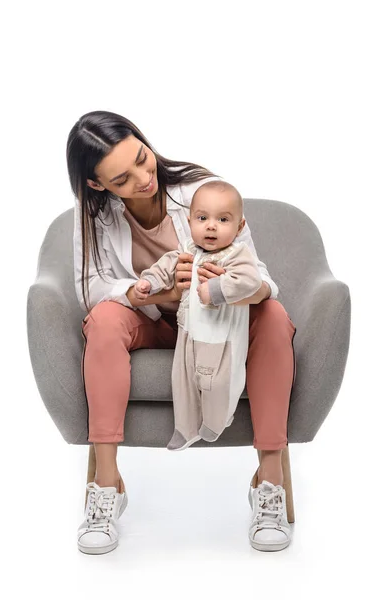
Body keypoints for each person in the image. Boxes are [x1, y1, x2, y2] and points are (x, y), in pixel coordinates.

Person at [67, 110, 296, 555]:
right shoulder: (91, 215)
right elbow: (89, 289)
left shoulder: (200, 190)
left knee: (274, 314)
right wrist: (148, 291)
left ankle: (270, 481)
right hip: (154, 325)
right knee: (104, 319)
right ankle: (107, 485)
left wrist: (227, 292)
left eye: (141, 157)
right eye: (121, 177)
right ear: (98, 185)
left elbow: (262, 276)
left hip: (218, 325)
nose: (143, 177)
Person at [134, 181, 263, 450]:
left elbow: (250, 281)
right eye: (202, 218)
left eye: (223, 219)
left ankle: (216, 422)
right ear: (190, 220)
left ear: (239, 227)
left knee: (218, 385)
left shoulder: (237, 255)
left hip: (222, 338)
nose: (211, 226)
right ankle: (185, 429)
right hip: (188, 331)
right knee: (182, 383)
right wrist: (149, 282)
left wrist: (215, 289)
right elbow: (165, 267)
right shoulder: (188, 252)